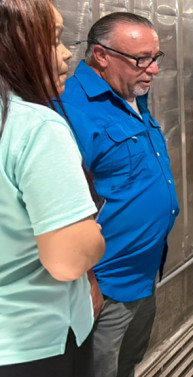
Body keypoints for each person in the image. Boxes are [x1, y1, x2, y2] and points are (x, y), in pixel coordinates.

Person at [58, 12, 180, 377]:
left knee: (127, 364)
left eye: (155, 58)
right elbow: (60, 209)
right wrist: (87, 282)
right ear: (101, 55)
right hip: (103, 287)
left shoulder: (130, 94)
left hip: (142, 274)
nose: (153, 69)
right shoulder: (70, 108)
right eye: (141, 59)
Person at [0, 1, 106, 376]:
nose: (65, 54)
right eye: (54, 40)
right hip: (34, 344)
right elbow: (68, 260)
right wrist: (94, 233)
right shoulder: (34, 127)